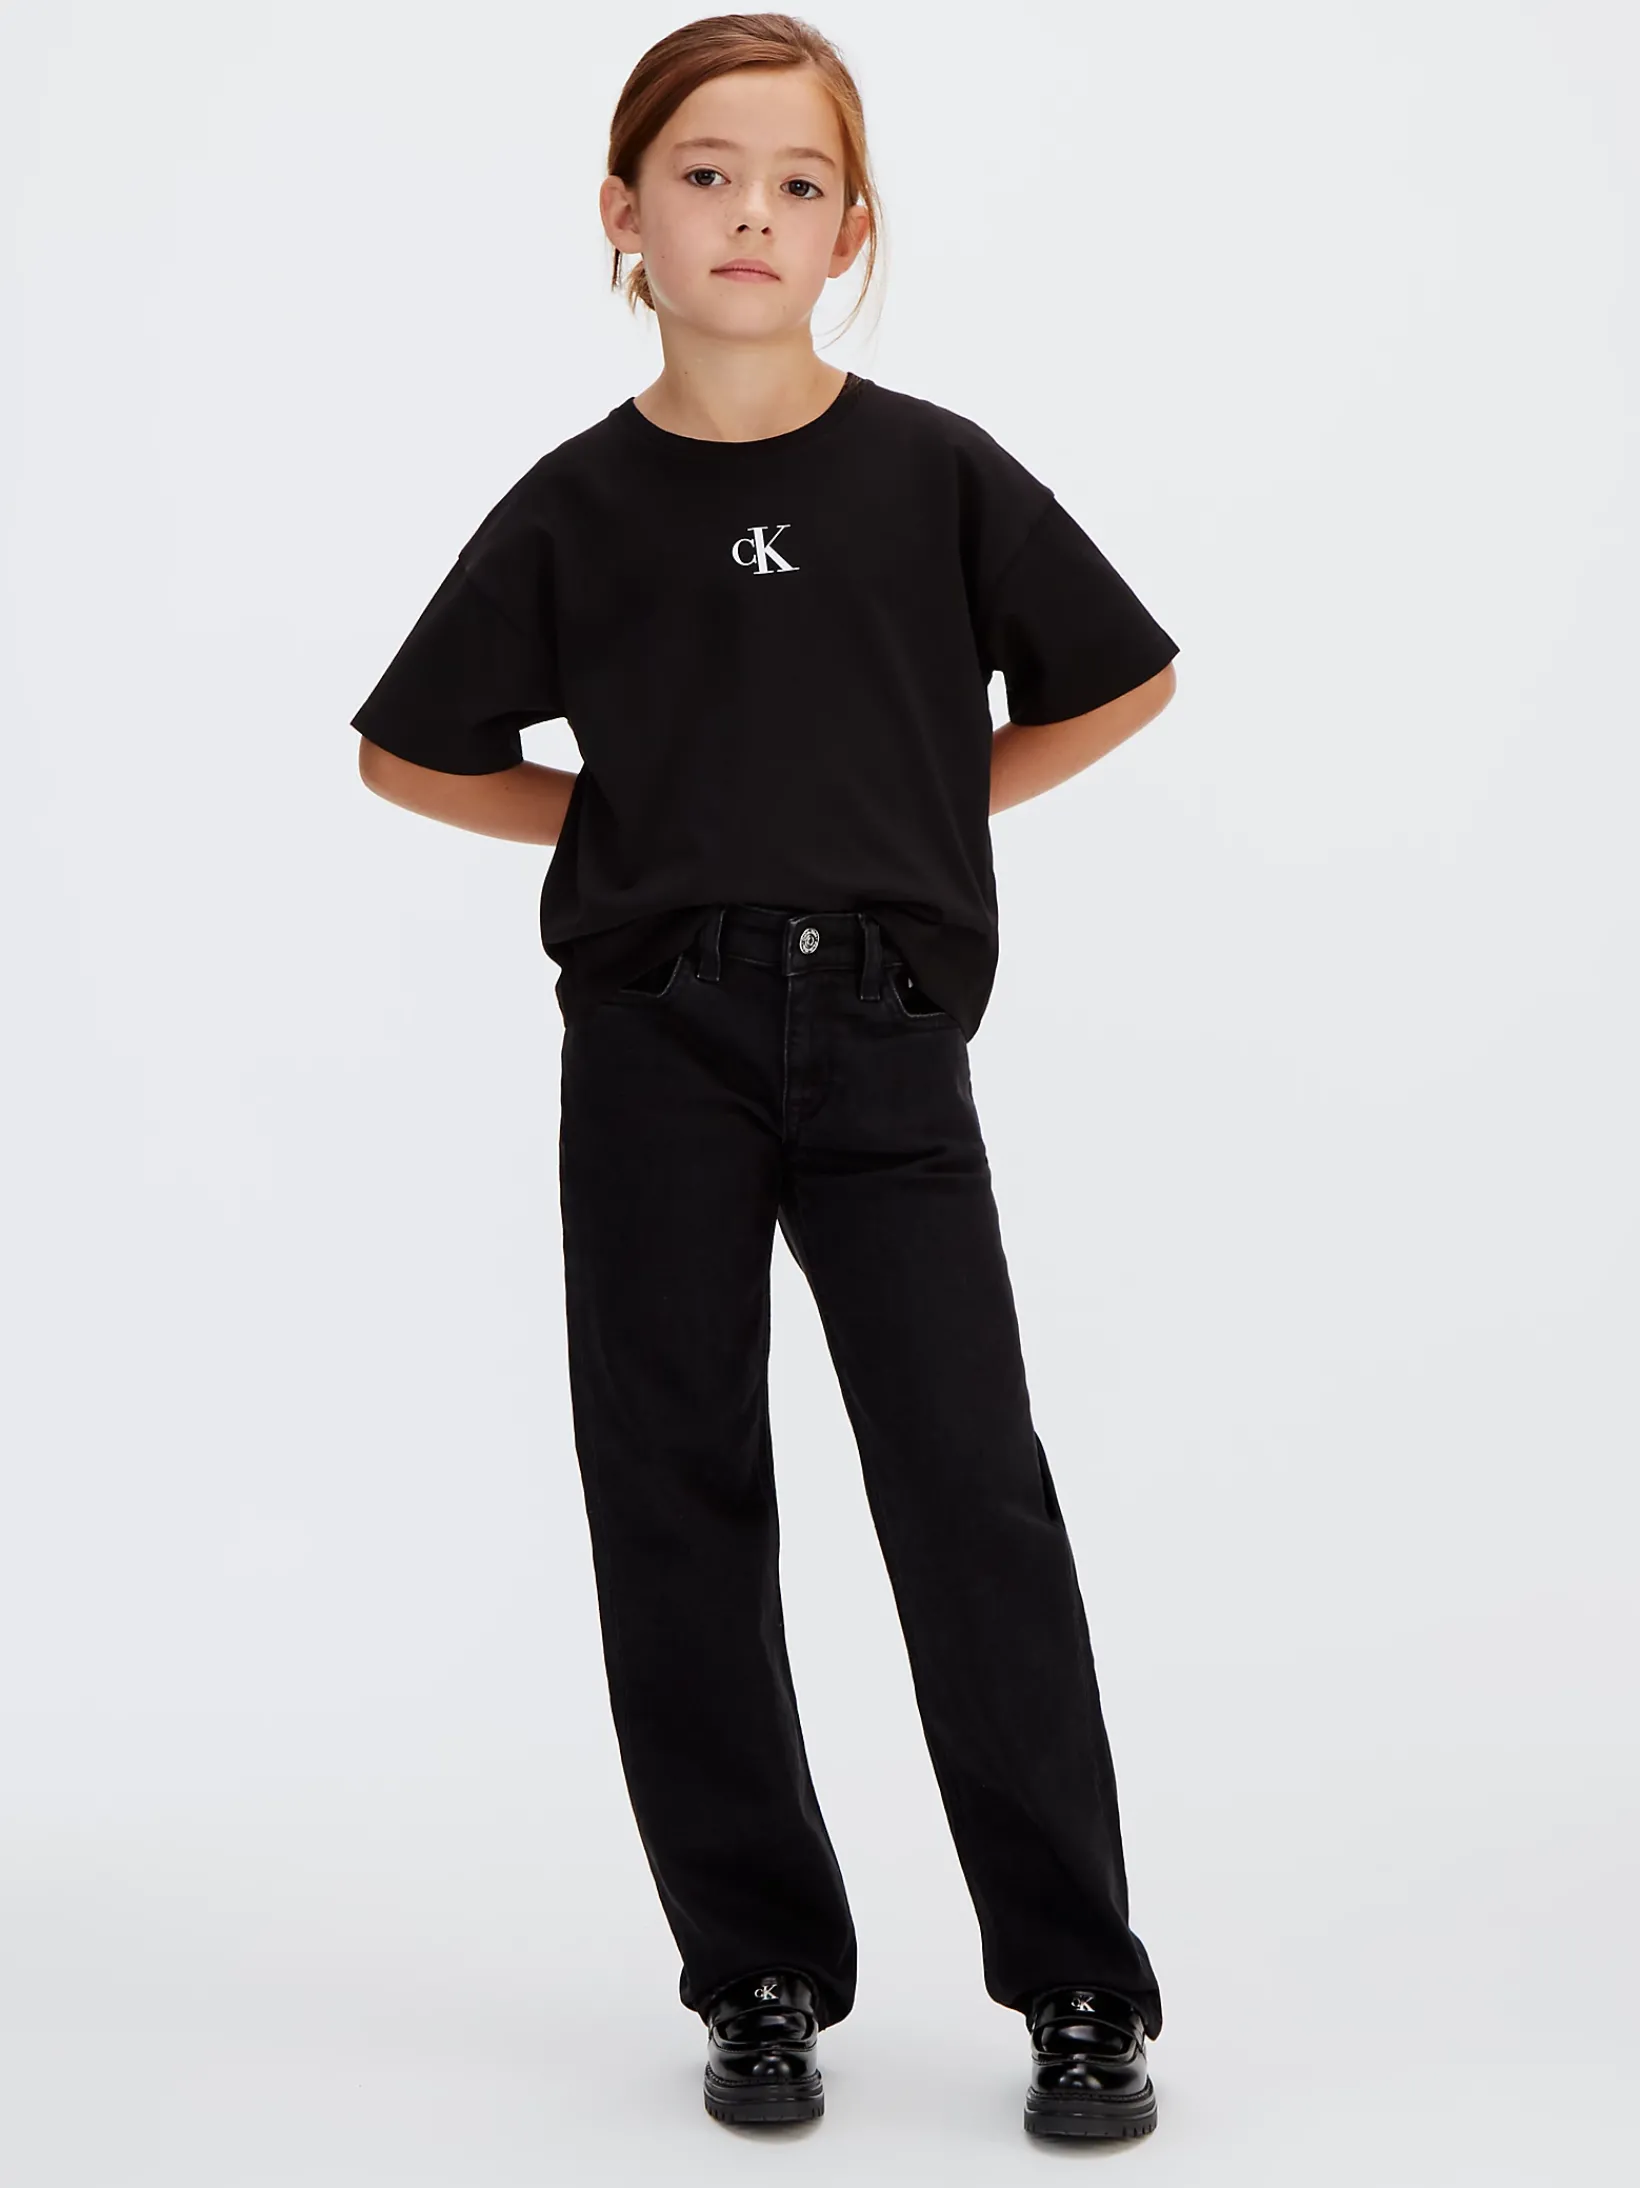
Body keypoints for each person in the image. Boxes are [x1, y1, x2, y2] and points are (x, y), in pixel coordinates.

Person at [350, 11, 1178, 2144]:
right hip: (659, 1046)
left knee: (969, 1491)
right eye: (705, 173)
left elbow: (1122, 677)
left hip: (887, 1041)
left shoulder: (933, 474)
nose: (750, 213)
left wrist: (915, 814)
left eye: (798, 182)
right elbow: (410, 751)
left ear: (852, 230)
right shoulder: (579, 504)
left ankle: (1081, 1984)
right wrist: (645, 836)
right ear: (623, 215)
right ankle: (759, 1973)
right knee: (677, 1496)